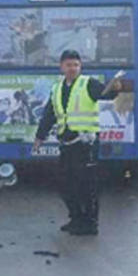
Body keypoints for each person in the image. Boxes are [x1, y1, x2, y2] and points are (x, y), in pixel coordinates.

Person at [33, 50, 124, 236]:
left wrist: (115, 88)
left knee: (87, 184)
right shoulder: (57, 88)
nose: (72, 68)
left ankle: (90, 223)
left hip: (86, 144)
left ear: (80, 67)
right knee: (64, 184)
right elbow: (49, 114)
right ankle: (75, 218)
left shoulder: (88, 83)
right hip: (67, 143)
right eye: (68, 65)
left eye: (76, 65)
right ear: (61, 67)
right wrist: (39, 137)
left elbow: (105, 94)